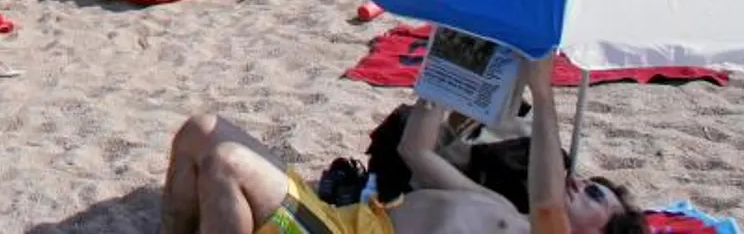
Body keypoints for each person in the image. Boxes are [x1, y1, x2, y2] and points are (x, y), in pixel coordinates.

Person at [159, 56, 645, 234]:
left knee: (224, 161)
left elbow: (546, 204)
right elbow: (416, 152)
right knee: (200, 128)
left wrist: (541, 89)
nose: (579, 183)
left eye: (596, 195)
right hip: (348, 221)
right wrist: (441, 79)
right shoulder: (500, 208)